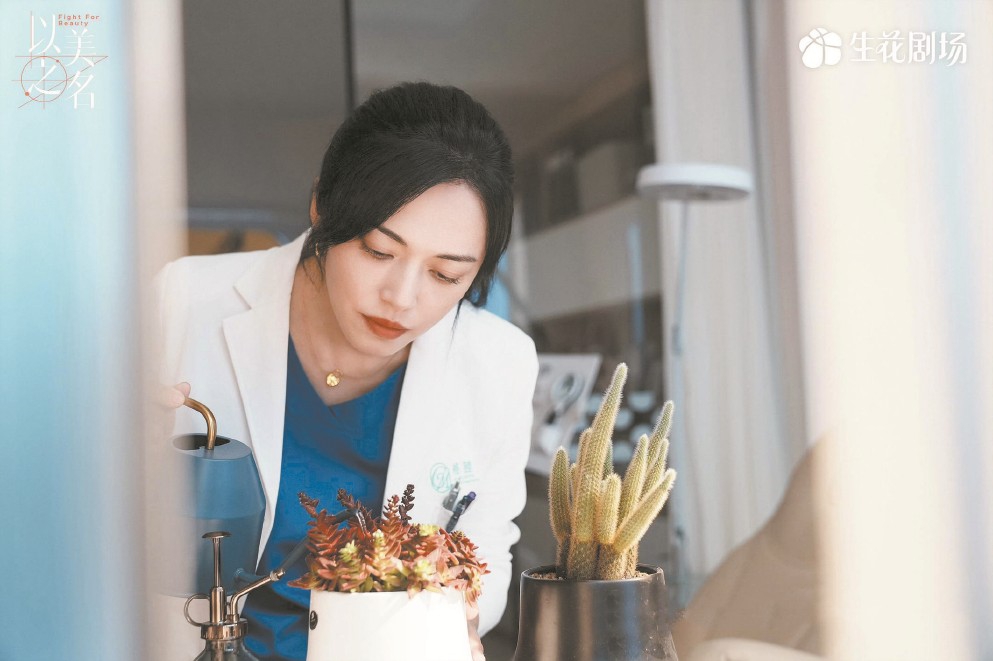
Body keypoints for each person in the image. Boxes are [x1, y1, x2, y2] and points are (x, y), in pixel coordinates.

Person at [155, 82, 538, 661]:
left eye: (446, 275)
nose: (401, 298)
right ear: (322, 206)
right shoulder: (182, 301)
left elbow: (489, 555)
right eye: (379, 251)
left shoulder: (499, 361)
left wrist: (453, 613)